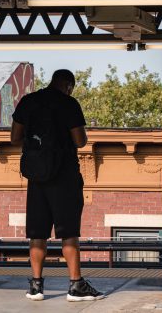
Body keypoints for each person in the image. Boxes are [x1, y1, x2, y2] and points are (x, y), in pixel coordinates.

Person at [10, 69, 104, 302]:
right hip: (64, 176)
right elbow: (80, 141)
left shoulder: (28, 101)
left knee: (37, 233)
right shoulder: (69, 103)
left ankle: (36, 286)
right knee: (68, 231)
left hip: (37, 176)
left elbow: (14, 137)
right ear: (69, 85)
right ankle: (75, 285)